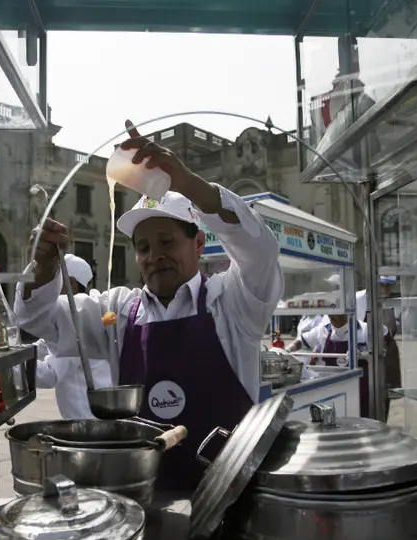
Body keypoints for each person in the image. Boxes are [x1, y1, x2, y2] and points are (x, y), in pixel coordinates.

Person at [16, 120, 284, 491]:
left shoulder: (233, 303)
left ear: (198, 244)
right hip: (141, 496)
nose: (154, 255)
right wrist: (44, 267)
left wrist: (187, 182)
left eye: (166, 242)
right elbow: (38, 319)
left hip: (228, 498)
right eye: (143, 247)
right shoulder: (116, 313)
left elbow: (261, 252)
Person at [33, 255, 112, 420]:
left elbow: (48, 375)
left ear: (71, 284)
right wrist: (14, 352)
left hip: (88, 421)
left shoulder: (77, 322)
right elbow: (42, 346)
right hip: (91, 417)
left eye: (53, 282)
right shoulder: (76, 317)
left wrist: (8, 367)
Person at [355, 276, 401, 421]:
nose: (387, 290)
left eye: (390, 286)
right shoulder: (357, 300)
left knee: (382, 404)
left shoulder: (391, 303)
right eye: (383, 285)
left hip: (386, 360)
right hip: (364, 360)